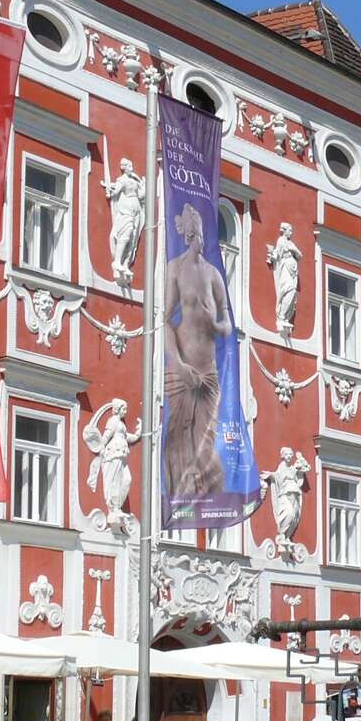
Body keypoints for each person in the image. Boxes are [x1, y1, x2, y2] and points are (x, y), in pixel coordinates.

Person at [162, 202, 229, 501]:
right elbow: (164, 319)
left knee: (207, 442)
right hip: (183, 369)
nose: (201, 237)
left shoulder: (214, 274)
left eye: (203, 232)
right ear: (189, 234)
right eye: (197, 232)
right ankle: (176, 504)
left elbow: (227, 320)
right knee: (178, 439)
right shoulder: (175, 269)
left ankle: (209, 510)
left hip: (210, 370)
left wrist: (218, 326)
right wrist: (177, 363)